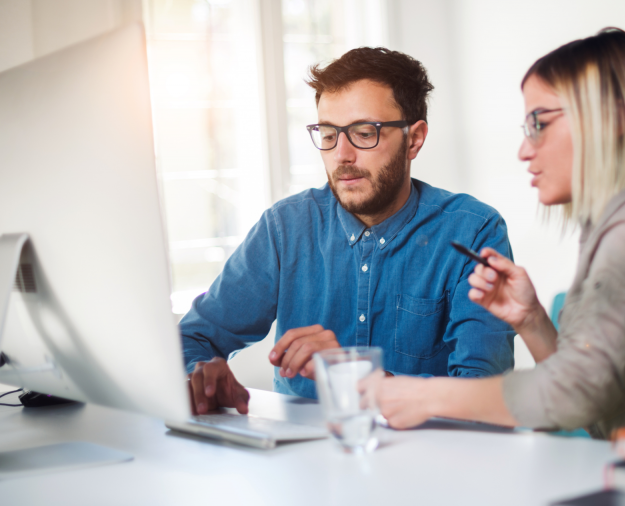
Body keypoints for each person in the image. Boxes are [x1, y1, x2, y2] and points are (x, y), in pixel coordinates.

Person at [378, 28, 625, 438]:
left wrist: (424, 396)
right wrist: (533, 320)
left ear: (615, 118)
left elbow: (577, 394)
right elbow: (598, 399)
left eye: (539, 123)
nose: (525, 150)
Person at [181, 47, 515, 415]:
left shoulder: (473, 231)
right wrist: (201, 376)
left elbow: (488, 398)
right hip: (302, 462)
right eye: (328, 133)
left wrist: (356, 374)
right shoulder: (285, 228)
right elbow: (194, 337)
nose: (342, 155)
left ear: (414, 139)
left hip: (425, 463)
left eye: (363, 133)